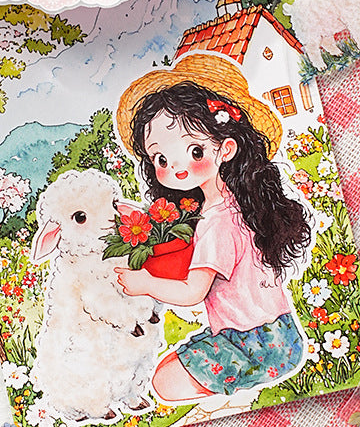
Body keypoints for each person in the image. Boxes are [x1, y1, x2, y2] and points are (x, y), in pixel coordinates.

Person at [114, 52, 311, 401]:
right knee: (170, 365)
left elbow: (193, 292)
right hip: (282, 334)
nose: (176, 168)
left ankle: (241, 392)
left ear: (226, 149)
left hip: (255, 344)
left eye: (194, 151)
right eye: (161, 158)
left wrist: (145, 283)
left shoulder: (217, 221)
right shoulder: (239, 204)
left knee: (162, 383)